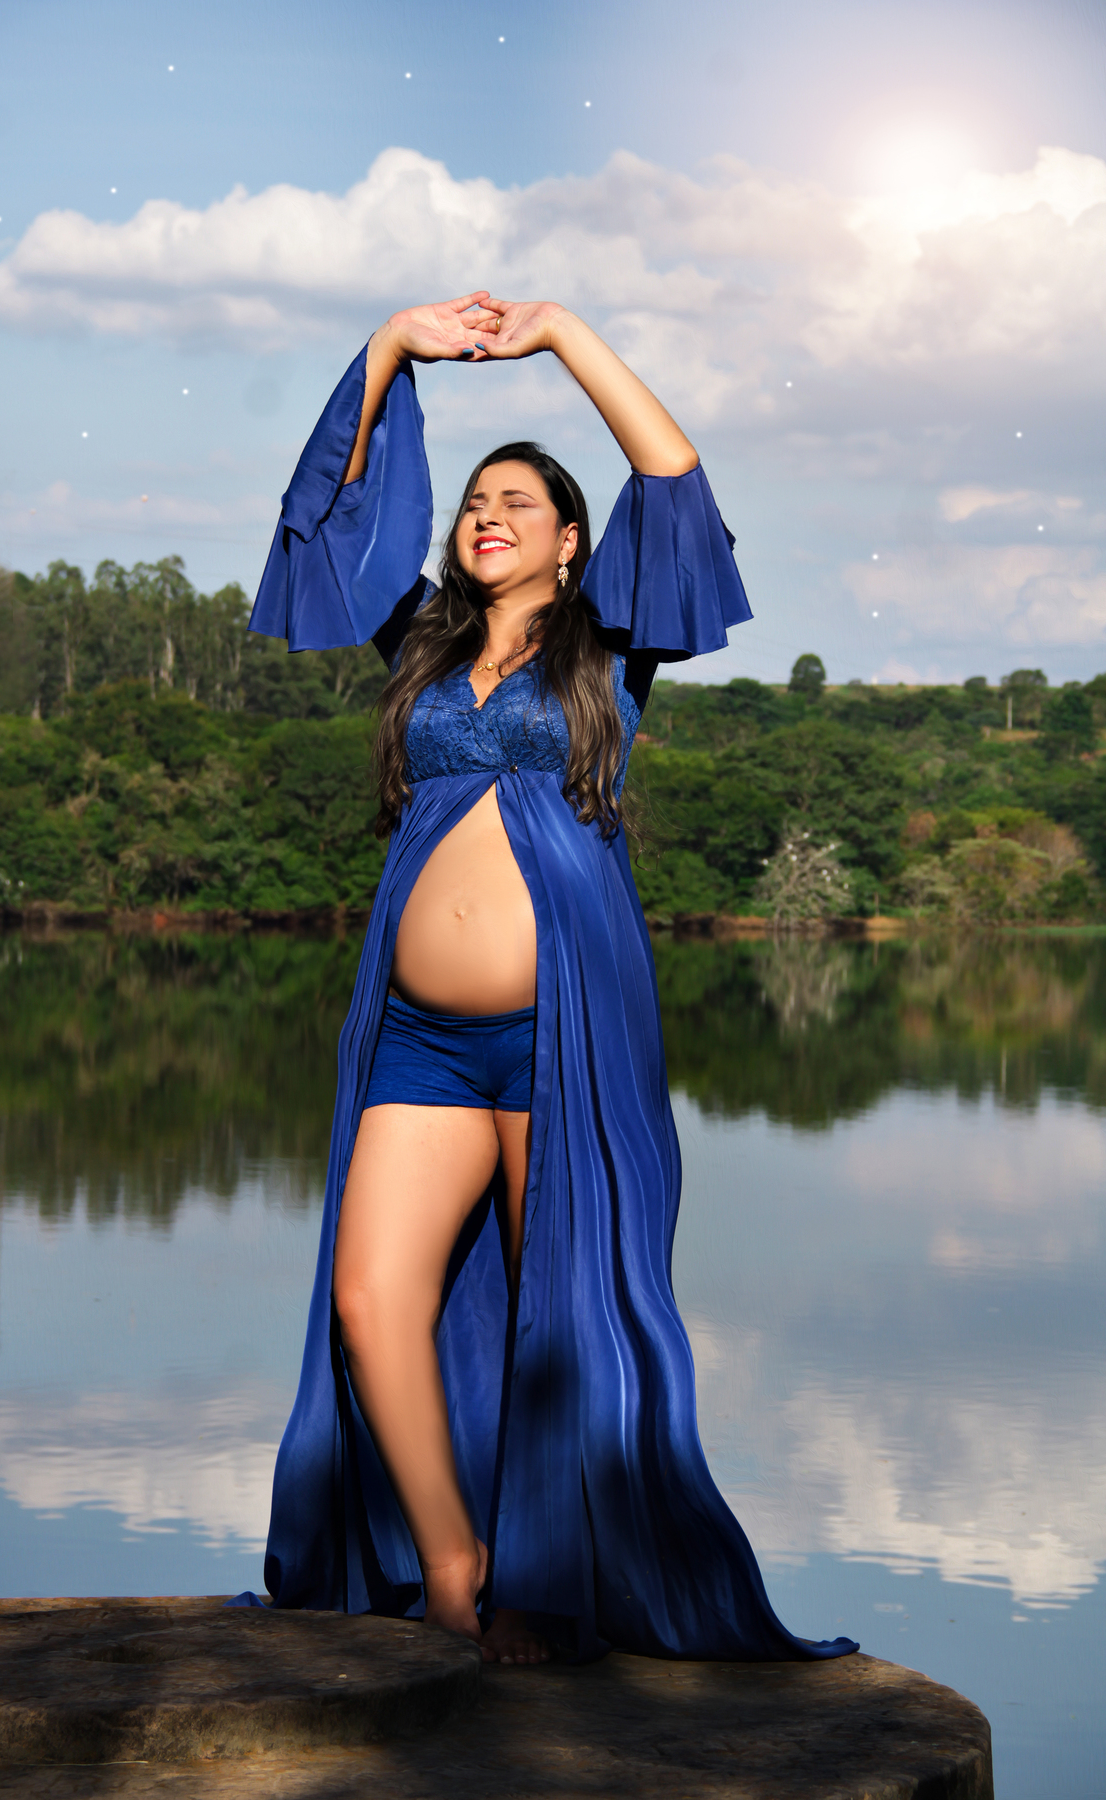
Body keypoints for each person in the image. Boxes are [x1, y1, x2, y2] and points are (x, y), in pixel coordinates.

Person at [232, 293, 857, 1669]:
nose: (486, 513)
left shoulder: (610, 644)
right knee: (370, 1299)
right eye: (474, 498)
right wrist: (391, 347)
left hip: (558, 1030)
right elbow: (320, 522)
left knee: (555, 1312)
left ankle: (538, 1592)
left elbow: (674, 483)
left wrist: (564, 333)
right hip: (415, 1039)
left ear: (573, 542)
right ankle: (452, 1562)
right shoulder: (419, 642)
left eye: (519, 500)